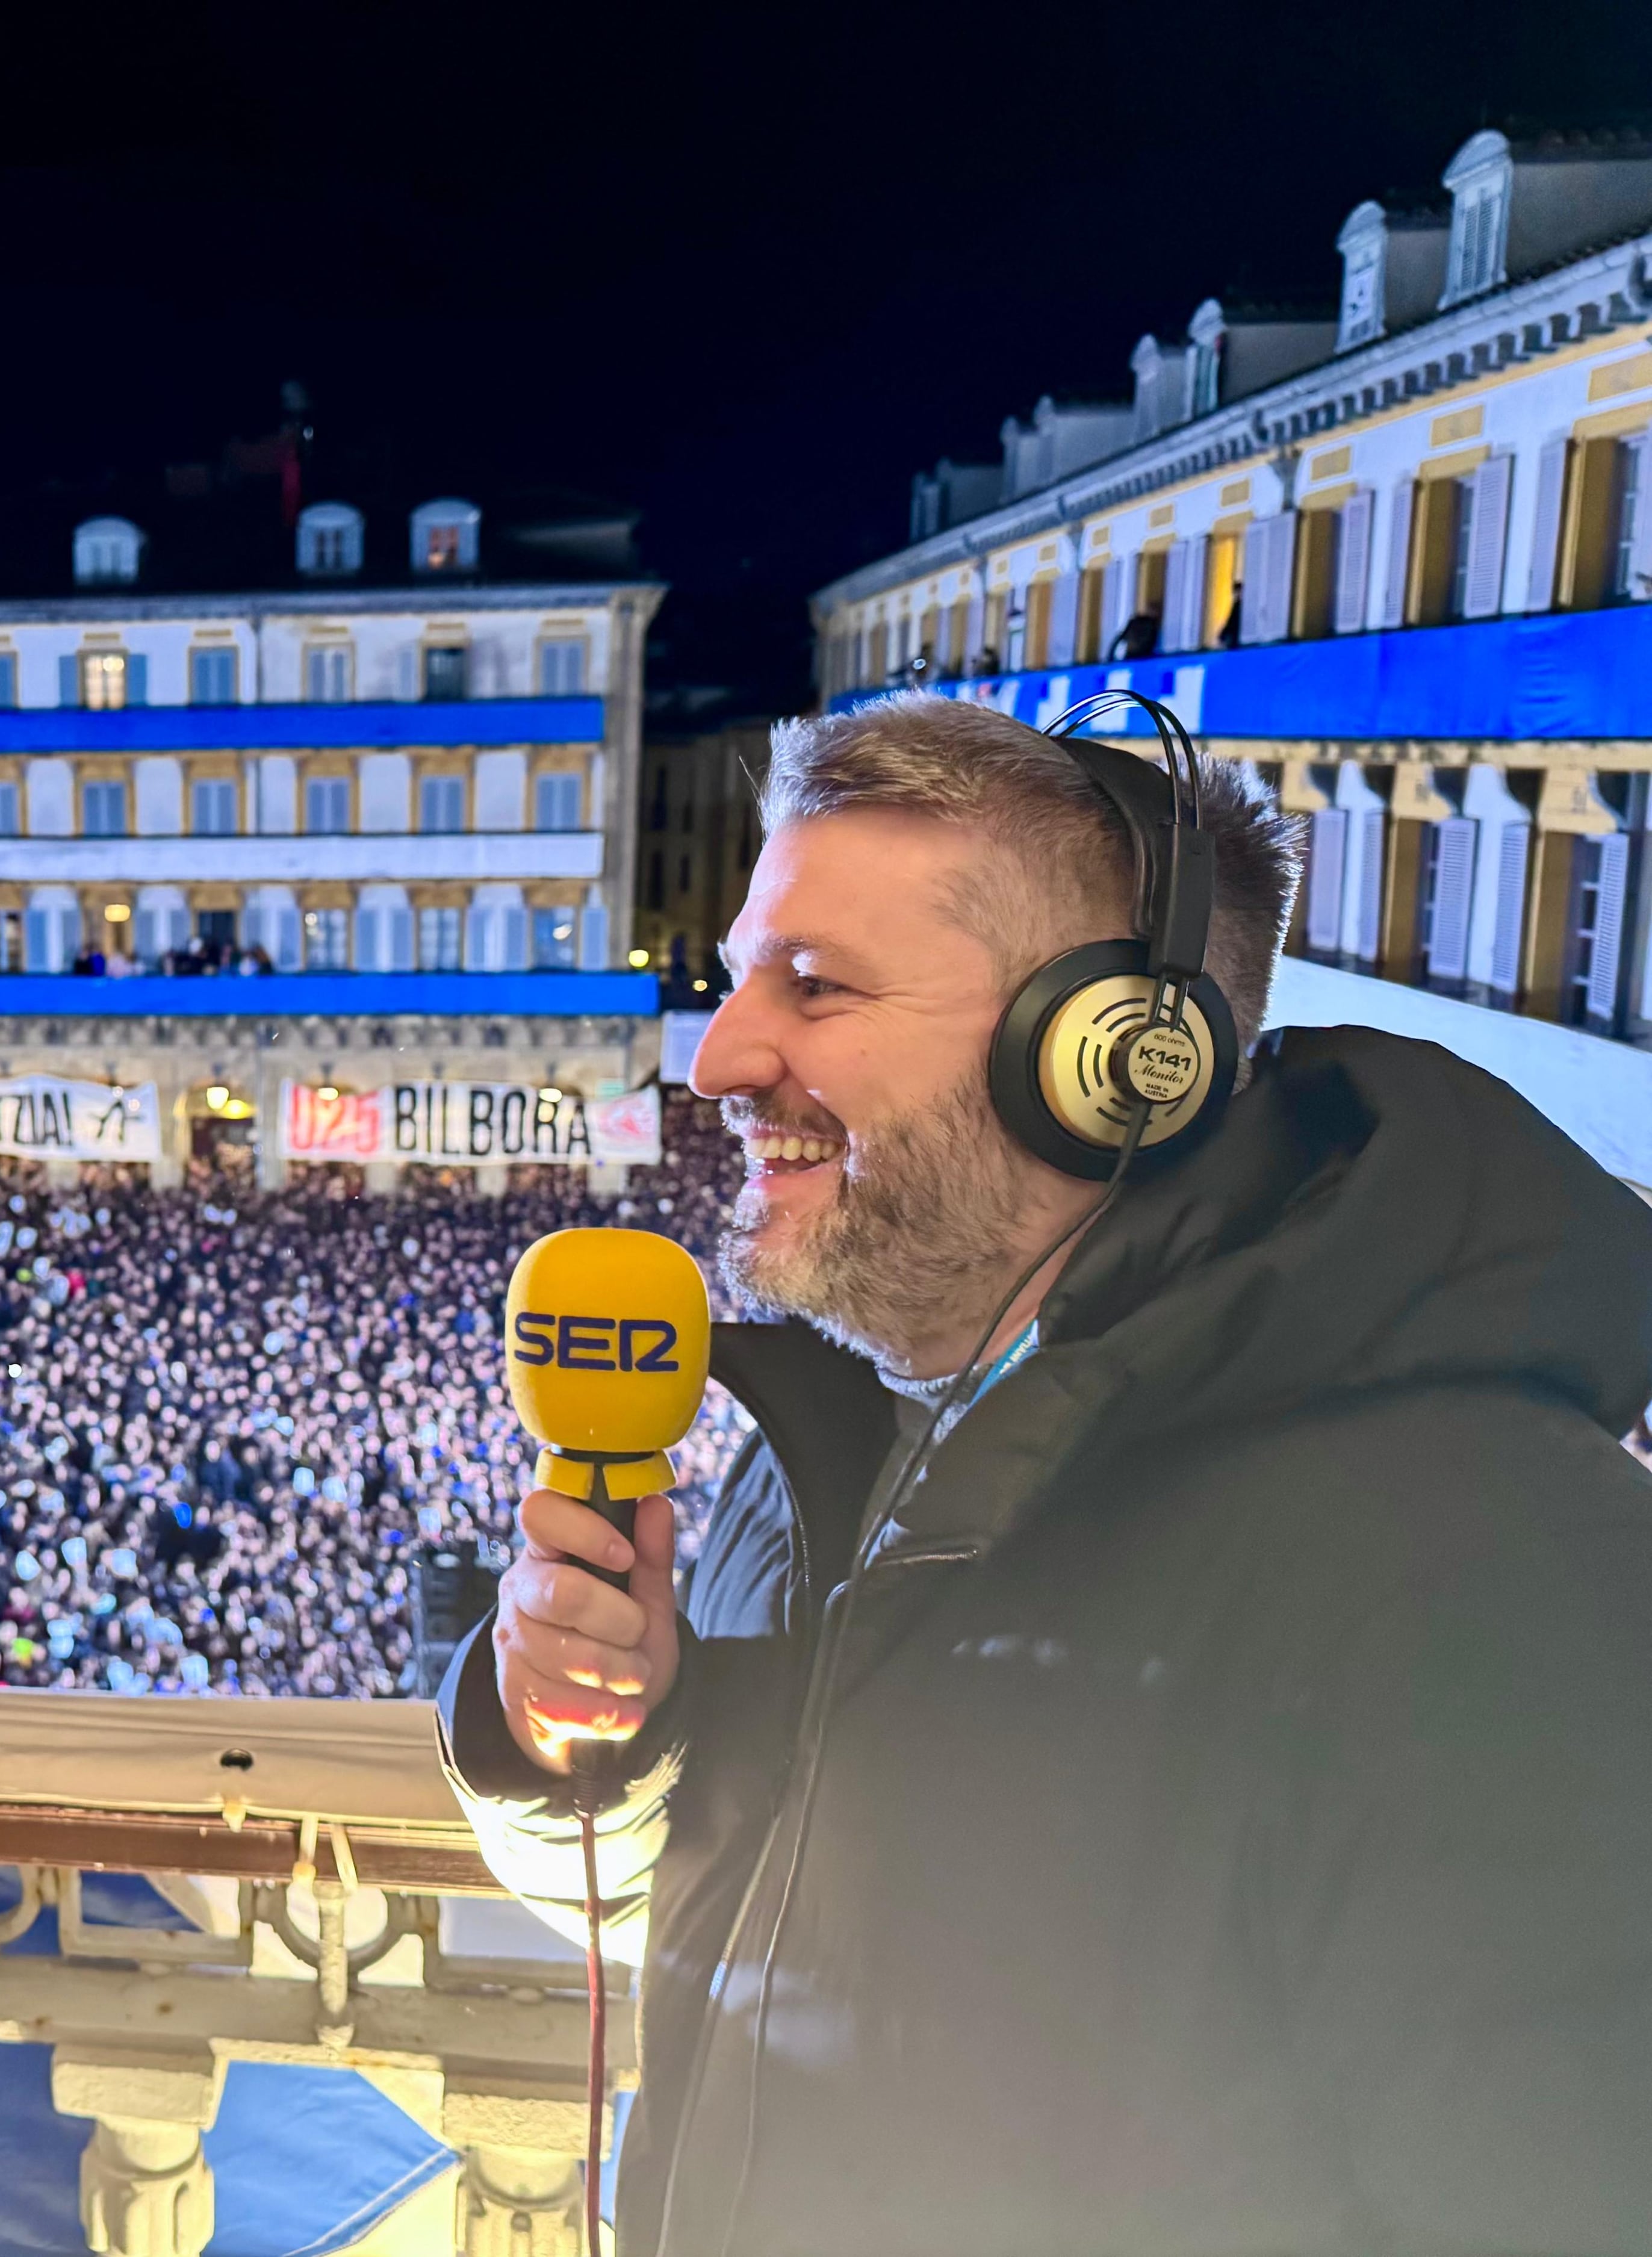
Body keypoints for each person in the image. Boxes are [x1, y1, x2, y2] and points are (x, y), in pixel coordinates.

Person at [440, 691, 1652, 2253]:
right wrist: (579, 1743)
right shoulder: (817, 1455)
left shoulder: (1500, 1581)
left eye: (814, 984)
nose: (721, 1054)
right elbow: (712, 1929)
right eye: (744, 977)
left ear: (1111, 1061)